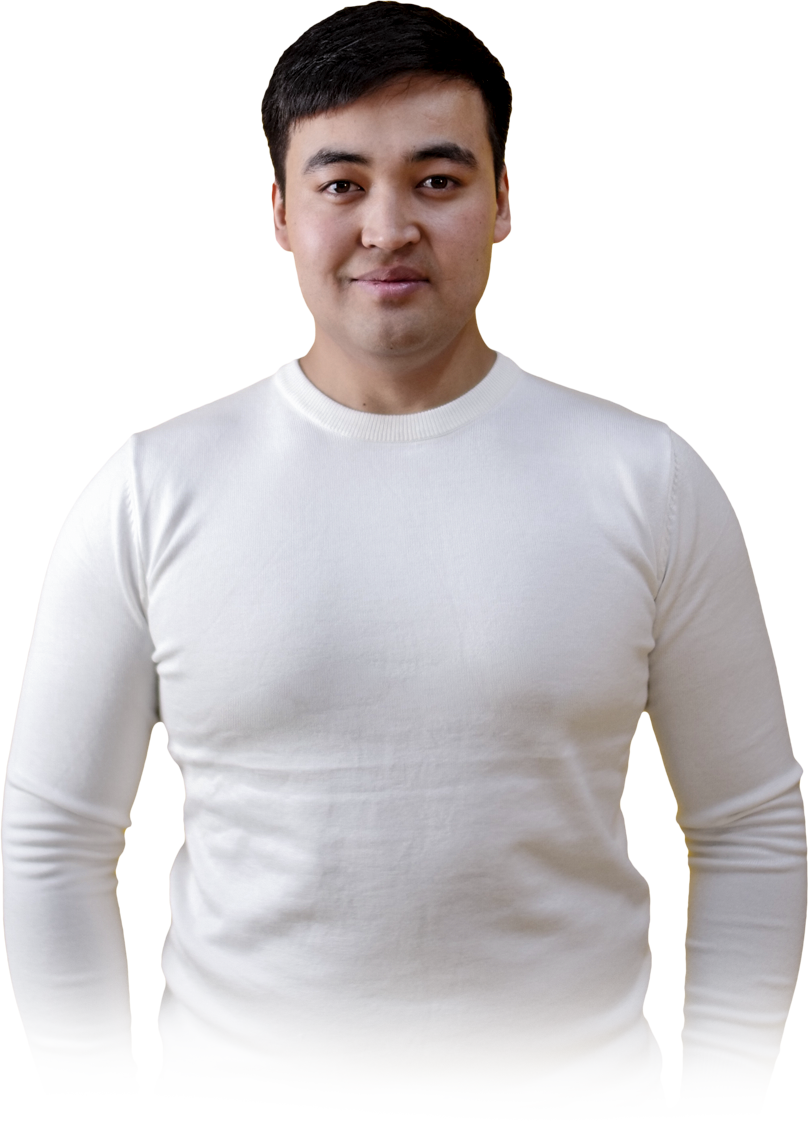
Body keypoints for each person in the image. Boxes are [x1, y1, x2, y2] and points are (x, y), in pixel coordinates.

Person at [3, 4, 806, 1120]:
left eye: (437, 180)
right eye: (341, 184)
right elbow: (58, 837)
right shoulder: (151, 490)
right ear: (280, 214)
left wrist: (718, 1110)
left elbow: (748, 825)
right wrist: (93, 1109)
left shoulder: (646, 480)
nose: (388, 228)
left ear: (501, 201)